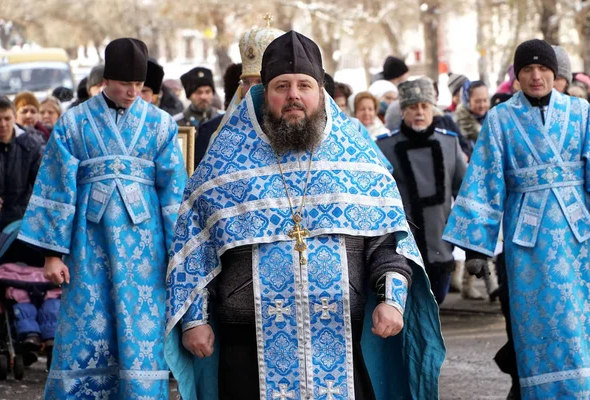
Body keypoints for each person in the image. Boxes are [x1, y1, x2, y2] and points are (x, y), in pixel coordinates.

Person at [165, 30, 444, 400]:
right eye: (282, 86)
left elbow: (387, 242)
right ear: (266, 93)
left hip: (341, 337)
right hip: (247, 341)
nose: (294, 95)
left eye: (304, 85)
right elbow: (196, 250)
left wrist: (392, 299)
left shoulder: (356, 157)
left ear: (321, 93)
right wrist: (195, 320)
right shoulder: (225, 160)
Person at [17, 38, 187, 398]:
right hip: (87, 247)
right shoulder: (74, 122)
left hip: (146, 252)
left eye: (139, 86)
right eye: (125, 84)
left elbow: (174, 194)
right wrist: (51, 254)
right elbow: (56, 186)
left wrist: (179, 253)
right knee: (85, 330)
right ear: (106, 79)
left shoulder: (160, 125)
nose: (132, 92)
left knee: (141, 335)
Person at [443, 39, 590, 400]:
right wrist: (474, 245)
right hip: (528, 242)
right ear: (517, 77)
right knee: (536, 323)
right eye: (527, 69)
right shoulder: (500, 118)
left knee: (579, 319)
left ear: (554, 73)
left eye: (543, 69)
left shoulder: (581, 112)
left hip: (579, 237)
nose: (536, 76)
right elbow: (484, 180)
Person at [377, 79, 467, 305]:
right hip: (400, 246)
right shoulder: (384, 147)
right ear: (403, 110)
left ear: (432, 109)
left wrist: (464, 240)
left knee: (436, 303)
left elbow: (465, 194)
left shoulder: (449, 143)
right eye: (412, 107)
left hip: (440, 242)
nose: (419, 112)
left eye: (424, 106)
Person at [0, 96, 46, 348]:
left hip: (22, 222)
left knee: (23, 276)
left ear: (14, 118)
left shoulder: (31, 145)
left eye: (7, 119)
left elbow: (45, 184)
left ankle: (26, 331)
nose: (2, 124)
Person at [195, 23, 285, 167]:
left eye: (259, 82)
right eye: (246, 82)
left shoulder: (293, 129)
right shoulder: (220, 133)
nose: (250, 90)